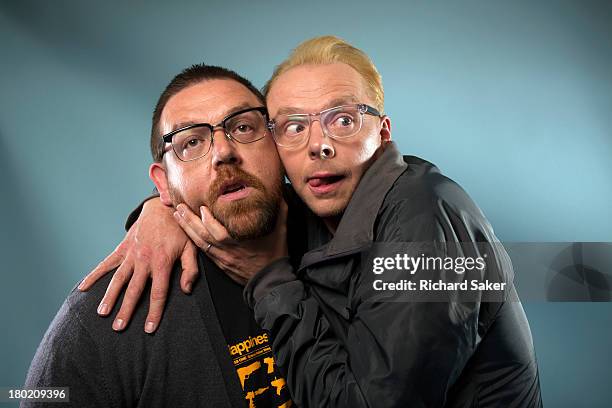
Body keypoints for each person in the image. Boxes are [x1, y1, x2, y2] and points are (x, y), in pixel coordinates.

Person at [83, 36, 543, 407]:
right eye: (294, 126)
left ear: (383, 134)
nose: (318, 145)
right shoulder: (312, 206)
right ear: (277, 149)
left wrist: (268, 278)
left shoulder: (427, 219)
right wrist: (159, 211)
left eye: (342, 120)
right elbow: (231, 191)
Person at [24, 64, 296, 408]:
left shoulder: (342, 240)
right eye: (192, 142)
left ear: (279, 144)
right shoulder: (107, 312)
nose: (224, 152)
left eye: (243, 127)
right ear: (163, 183)